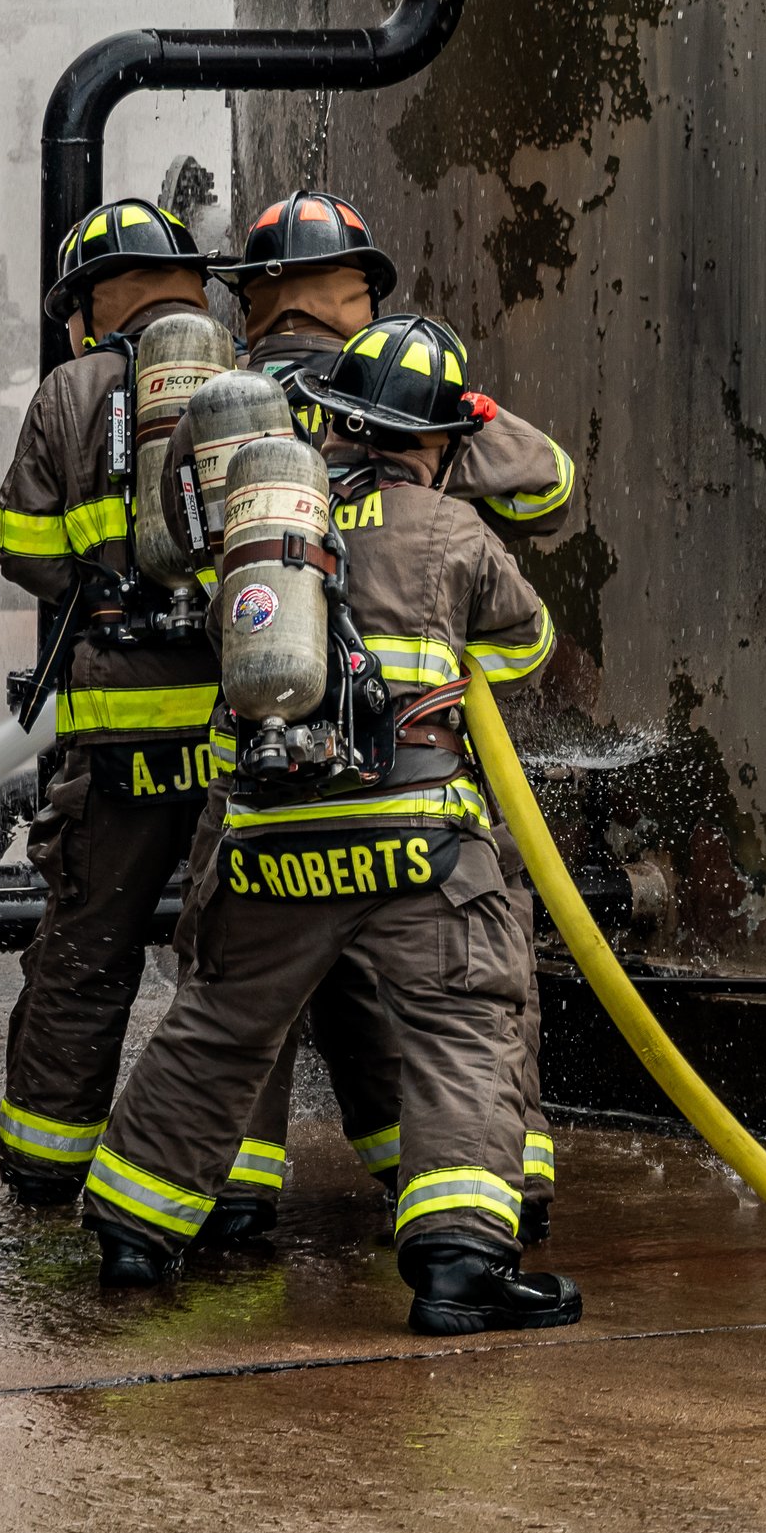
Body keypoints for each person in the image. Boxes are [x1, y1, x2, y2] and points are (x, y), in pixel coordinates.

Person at [83, 315, 581, 1336]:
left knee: (219, 1022)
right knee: (463, 1023)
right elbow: (526, 645)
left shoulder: (262, 527)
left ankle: (134, 1232)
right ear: (439, 440)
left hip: (269, 840)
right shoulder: (449, 529)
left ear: (338, 420)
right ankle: (460, 1268)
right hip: (415, 844)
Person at [194, 192, 576, 1244]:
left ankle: (227, 1188)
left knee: (237, 980)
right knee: (469, 973)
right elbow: (547, 487)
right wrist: (464, 411)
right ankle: (497, 1183)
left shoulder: (228, 405)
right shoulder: (392, 391)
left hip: (257, 744)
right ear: (359, 292)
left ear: (254, 296)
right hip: (411, 762)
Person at [0, 199, 223, 1203]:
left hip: (119, 727)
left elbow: (23, 547)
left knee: (86, 952)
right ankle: (227, 1179)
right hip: (235, 728)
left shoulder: (70, 390)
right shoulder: (250, 377)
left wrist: (102, 581)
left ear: (91, 303)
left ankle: (47, 1165)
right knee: (231, 960)